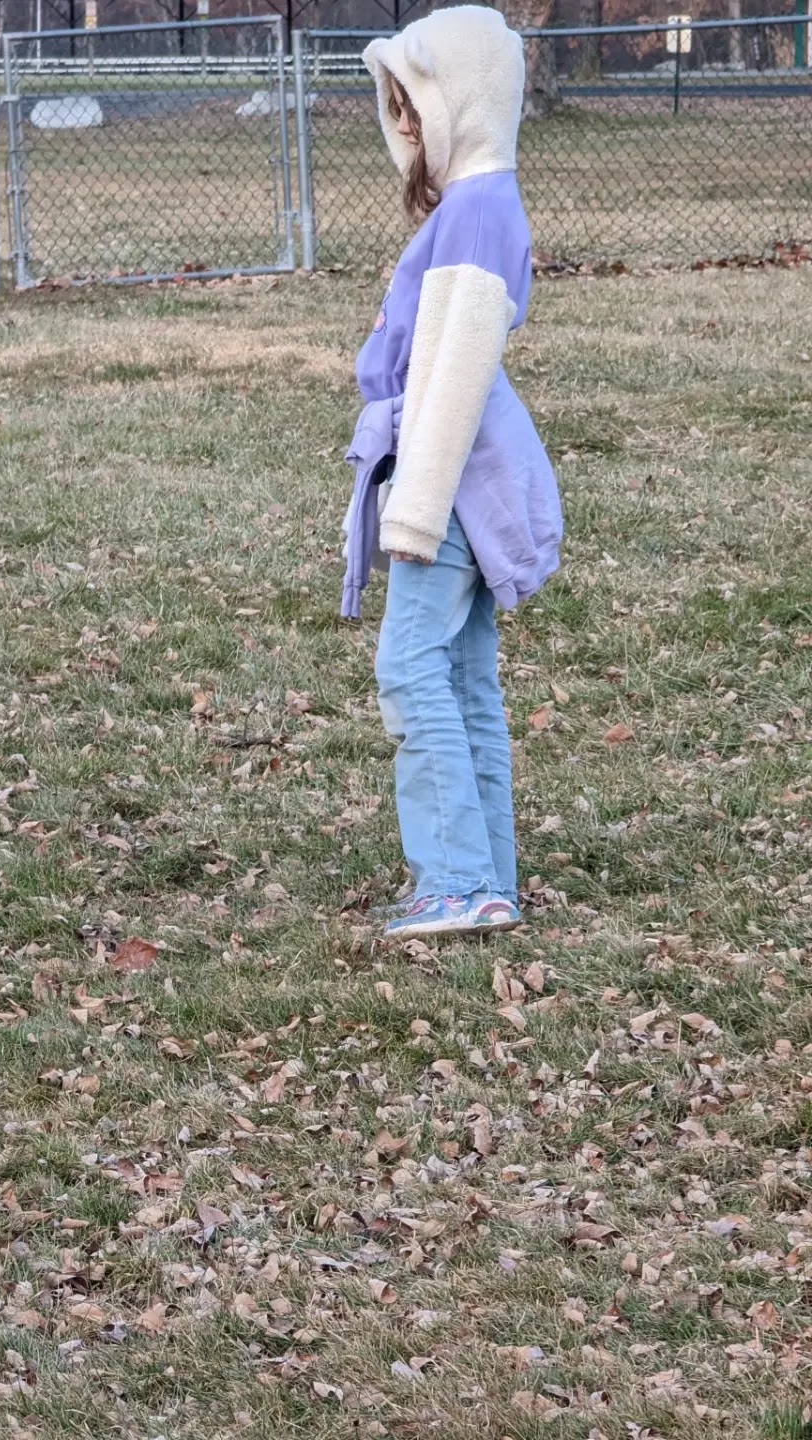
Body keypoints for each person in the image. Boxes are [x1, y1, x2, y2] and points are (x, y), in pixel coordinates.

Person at [339, 5, 563, 939]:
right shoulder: (485, 202)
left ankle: (458, 882)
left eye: (411, 105)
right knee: (465, 678)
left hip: (454, 483)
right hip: (460, 476)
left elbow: (456, 375)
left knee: (410, 666)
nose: (400, 128)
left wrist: (415, 511)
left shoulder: (473, 211)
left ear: (457, 106)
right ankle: (486, 876)